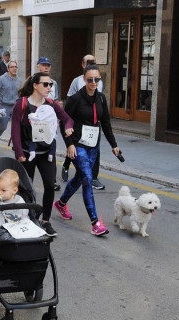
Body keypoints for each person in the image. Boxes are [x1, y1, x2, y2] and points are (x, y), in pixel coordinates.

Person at [54, 65, 120, 236]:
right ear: (84, 79)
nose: (93, 82)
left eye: (96, 79)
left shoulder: (101, 98)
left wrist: (114, 145)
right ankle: (95, 222)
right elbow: (64, 121)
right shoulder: (76, 99)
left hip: (93, 145)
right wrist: (69, 144)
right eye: (90, 79)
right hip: (78, 144)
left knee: (80, 177)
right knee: (88, 178)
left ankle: (61, 204)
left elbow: (105, 123)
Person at [11, 72, 74, 237]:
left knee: (49, 185)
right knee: (27, 188)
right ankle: (27, 218)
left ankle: (45, 221)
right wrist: (18, 152)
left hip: (47, 153)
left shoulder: (52, 104)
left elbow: (68, 119)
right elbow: (15, 131)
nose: (49, 88)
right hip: (27, 153)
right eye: (45, 84)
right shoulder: (22, 104)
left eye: (50, 85)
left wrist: (67, 126)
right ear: (35, 85)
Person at [63, 54, 105, 190]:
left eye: (93, 61)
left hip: (93, 126)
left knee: (94, 153)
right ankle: (66, 164)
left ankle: (94, 177)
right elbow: (70, 100)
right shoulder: (77, 81)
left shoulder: (99, 83)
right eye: (88, 62)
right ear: (82, 64)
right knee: (75, 150)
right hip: (78, 123)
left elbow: (98, 102)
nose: (94, 82)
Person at [36, 56, 62, 191]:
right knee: (35, 151)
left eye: (48, 65)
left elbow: (56, 100)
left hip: (50, 122)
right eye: (43, 65)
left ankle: (52, 180)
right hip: (36, 122)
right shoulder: (33, 82)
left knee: (52, 148)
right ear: (38, 66)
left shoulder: (54, 83)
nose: (46, 67)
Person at [0, 169, 30, 240]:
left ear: (14, 190)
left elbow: (25, 216)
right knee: (6, 239)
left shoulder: (20, 201)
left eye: (3, 190)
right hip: (1, 230)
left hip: (19, 228)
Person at [0, 60, 23, 148]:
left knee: (17, 127)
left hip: (15, 106)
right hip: (4, 106)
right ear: (8, 69)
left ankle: (15, 144)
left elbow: (21, 94)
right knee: (3, 127)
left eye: (16, 67)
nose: (14, 68)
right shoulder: (1, 79)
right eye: (12, 67)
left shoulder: (19, 80)